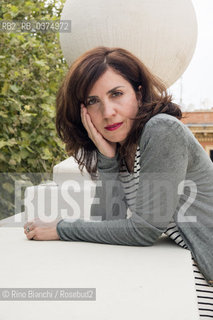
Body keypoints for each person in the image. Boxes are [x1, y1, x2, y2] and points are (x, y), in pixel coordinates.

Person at [24, 46, 213, 318]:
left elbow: (144, 229)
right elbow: (107, 223)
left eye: (116, 94)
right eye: (93, 101)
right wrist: (107, 159)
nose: (108, 112)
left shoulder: (162, 130)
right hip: (185, 269)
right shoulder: (124, 149)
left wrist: (62, 228)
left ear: (138, 92)